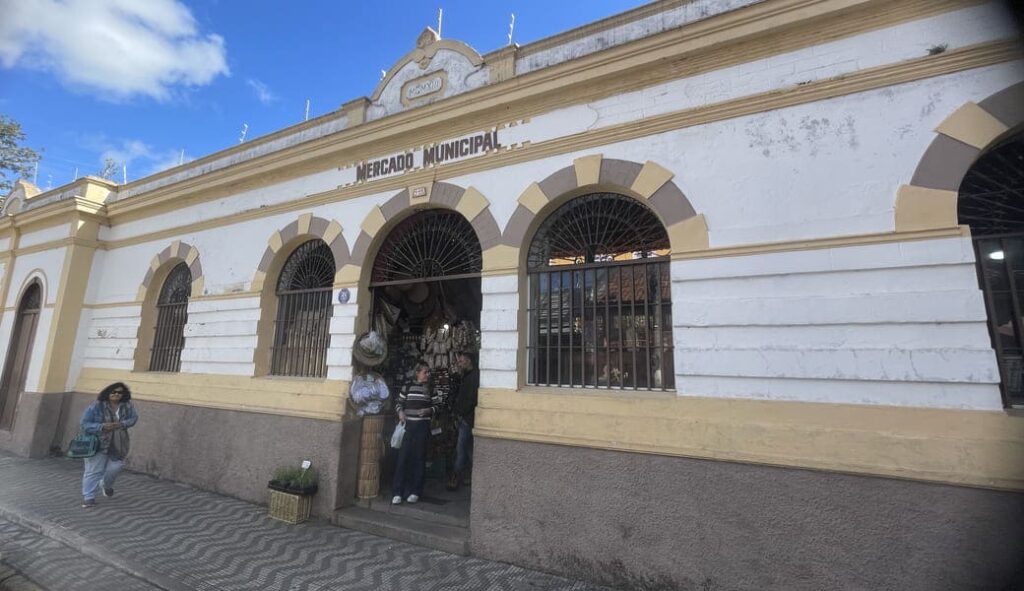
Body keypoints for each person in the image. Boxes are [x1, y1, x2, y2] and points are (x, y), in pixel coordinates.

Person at [79, 382, 138, 508]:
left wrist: (122, 424)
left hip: (118, 443)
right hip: (97, 442)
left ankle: (106, 485)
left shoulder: (127, 406)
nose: (116, 394)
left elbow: (133, 418)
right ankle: (88, 497)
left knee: (116, 467)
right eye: (114, 392)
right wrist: (101, 426)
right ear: (108, 392)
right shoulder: (97, 406)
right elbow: (84, 423)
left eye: (120, 392)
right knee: (94, 470)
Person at [392, 362, 439, 505]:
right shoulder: (407, 387)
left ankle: (415, 491)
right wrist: (400, 412)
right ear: (417, 373)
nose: (427, 375)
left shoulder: (431, 389)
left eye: (428, 372)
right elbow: (399, 403)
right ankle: (398, 492)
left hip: (422, 427)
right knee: (402, 459)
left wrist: (428, 411)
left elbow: (437, 407)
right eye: (425, 372)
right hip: (408, 427)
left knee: (419, 460)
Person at [448, 351, 478, 490]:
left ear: (468, 361)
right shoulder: (468, 376)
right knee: (468, 449)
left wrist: (460, 413)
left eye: (461, 361)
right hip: (468, 417)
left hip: (466, 418)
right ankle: (470, 475)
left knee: (461, 449)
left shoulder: (472, 377)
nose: (459, 364)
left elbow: (470, 399)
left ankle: (455, 476)